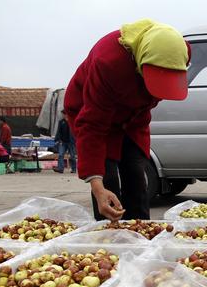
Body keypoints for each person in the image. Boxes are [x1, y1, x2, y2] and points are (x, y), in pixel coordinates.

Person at [64, 19, 191, 221]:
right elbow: (93, 127)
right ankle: (110, 237)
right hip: (93, 112)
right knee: (108, 179)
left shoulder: (180, 51)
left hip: (132, 119)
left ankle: (141, 238)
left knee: (136, 177)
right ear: (140, 63)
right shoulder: (108, 62)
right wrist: (98, 188)